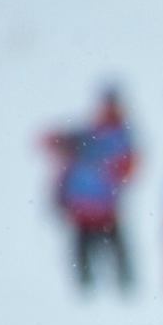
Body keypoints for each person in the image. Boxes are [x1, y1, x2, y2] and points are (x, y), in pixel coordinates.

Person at [44, 85, 136, 294]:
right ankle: (88, 295)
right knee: (85, 262)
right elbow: (48, 141)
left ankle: (122, 293)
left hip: (104, 208)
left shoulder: (120, 136)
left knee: (117, 262)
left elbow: (129, 168)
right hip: (85, 208)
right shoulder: (88, 133)